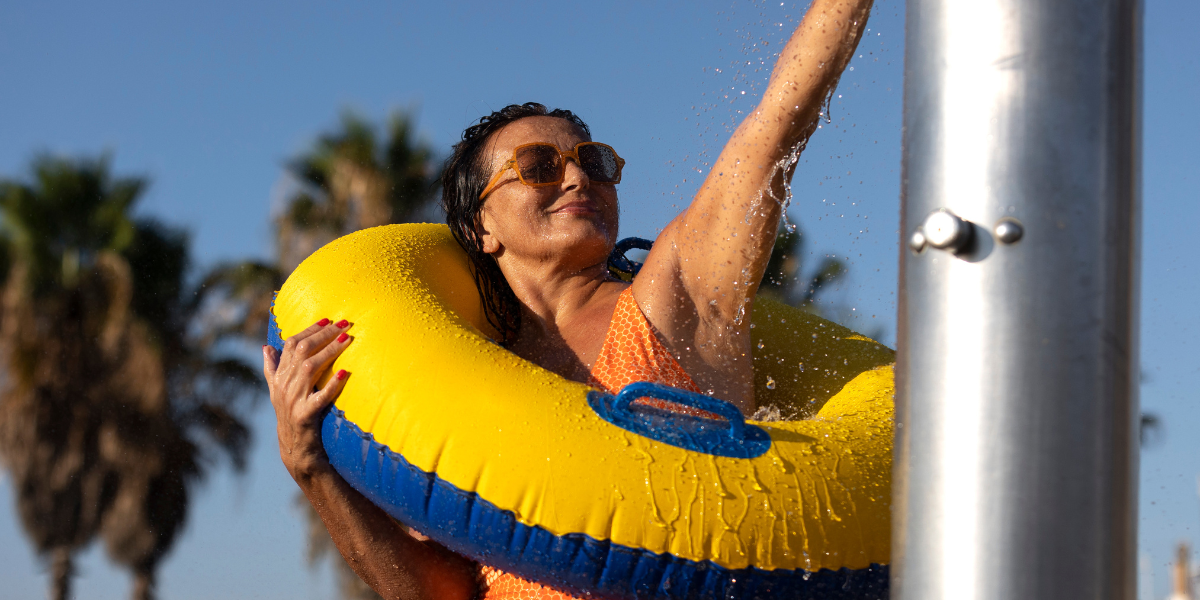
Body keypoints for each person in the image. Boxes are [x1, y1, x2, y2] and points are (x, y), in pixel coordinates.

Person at [262, 0, 874, 598]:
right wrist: (312, 469)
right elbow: (437, 591)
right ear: (481, 230)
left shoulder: (674, 294)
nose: (578, 178)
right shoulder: (463, 386)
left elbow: (777, 123)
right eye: (538, 166)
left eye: (594, 161)